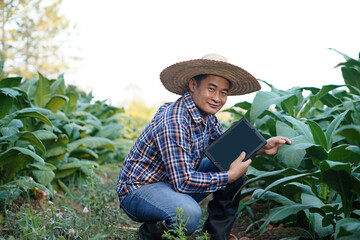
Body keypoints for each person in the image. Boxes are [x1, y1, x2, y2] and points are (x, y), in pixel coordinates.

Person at [116, 54, 291, 240]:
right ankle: (151, 233)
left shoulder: (207, 118)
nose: (217, 98)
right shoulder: (174, 121)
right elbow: (182, 182)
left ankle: (216, 236)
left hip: (170, 182)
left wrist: (262, 147)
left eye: (223, 92)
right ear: (193, 85)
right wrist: (229, 176)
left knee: (233, 160)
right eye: (211, 89)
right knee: (188, 214)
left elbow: (226, 149)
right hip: (139, 190)